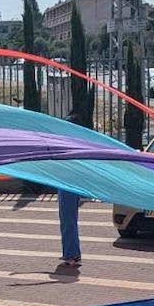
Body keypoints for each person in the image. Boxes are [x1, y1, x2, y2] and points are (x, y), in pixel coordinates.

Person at [57, 111, 84, 267]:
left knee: (68, 219)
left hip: (69, 184)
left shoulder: (72, 144)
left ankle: (72, 255)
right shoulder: (73, 143)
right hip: (65, 183)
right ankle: (71, 252)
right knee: (67, 218)